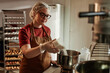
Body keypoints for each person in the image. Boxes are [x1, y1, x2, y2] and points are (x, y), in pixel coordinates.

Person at [19, 1, 60, 73]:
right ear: (34, 13)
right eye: (42, 14)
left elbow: (46, 51)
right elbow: (27, 53)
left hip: (45, 69)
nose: (45, 18)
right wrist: (42, 47)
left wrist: (50, 60)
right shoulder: (25, 31)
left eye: (47, 16)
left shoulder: (47, 30)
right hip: (29, 70)